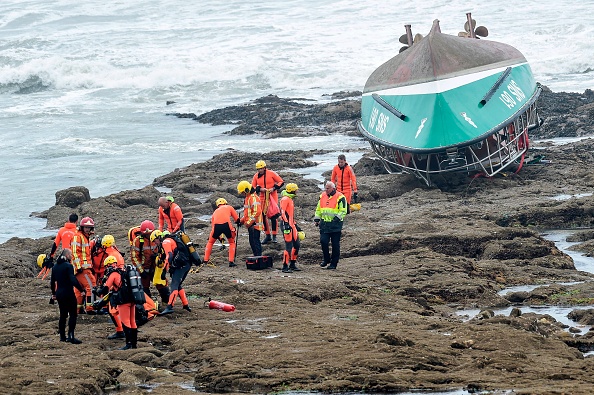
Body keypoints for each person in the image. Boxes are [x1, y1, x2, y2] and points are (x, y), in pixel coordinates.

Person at [96, 256, 138, 350]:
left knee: (125, 321)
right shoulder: (124, 271)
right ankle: (134, 344)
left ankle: (128, 344)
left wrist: (97, 292)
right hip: (132, 298)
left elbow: (106, 288)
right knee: (132, 321)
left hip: (123, 301)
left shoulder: (114, 274)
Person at [151, 230, 193, 315]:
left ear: (158, 237)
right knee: (178, 284)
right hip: (186, 263)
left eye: (155, 241)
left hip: (182, 265)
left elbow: (169, 256)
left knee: (174, 285)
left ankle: (170, 307)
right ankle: (185, 305)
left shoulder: (165, 242)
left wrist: (164, 271)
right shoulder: (170, 240)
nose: (155, 243)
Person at [131, 220, 170, 304]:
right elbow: (134, 257)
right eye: (146, 234)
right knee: (144, 288)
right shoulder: (138, 241)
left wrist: (157, 257)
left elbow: (163, 251)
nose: (148, 235)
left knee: (162, 285)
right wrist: (141, 271)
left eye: (150, 233)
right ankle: (149, 306)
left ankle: (167, 302)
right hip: (144, 269)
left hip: (155, 267)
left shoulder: (158, 238)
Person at [50, 248, 85, 344]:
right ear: (66, 255)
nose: (72, 256)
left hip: (59, 293)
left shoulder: (55, 267)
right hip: (68, 293)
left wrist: (53, 294)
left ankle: (62, 337)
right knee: (73, 314)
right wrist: (81, 289)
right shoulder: (68, 266)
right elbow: (72, 279)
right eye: (70, 255)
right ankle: (71, 336)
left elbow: (52, 282)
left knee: (63, 315)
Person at [314, 181, 347, 270]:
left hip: (335, 225)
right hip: (324, 224)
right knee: (323, 242)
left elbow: (343, 210)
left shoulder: (340, 197)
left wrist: (336, 219)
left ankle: (333, 263)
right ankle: (326, 259)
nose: (326, 190)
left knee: (335, 244)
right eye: (325, 188)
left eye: (328, 188)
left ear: (333, 188)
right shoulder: (322, 196)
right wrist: (317, 219)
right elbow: (318, 209)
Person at [251, 160, 284, 244]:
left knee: (273, 216)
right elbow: (253, 187)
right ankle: (267, 235)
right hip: (262, 197)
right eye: (258, 169)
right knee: (263, 216)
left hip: (272, 197)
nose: (259, 171)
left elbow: (281, 181)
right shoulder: (256, 176)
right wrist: (260, 189)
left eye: (261, 169)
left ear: (265, 168)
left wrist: (273, 188)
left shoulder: (271, 173)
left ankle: (274, 236)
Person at [203, 198, 240, 267]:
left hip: (216, 227)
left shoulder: (215, 212)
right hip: (227, 225)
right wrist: (239, 223)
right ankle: (231, 262)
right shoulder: (229, 207)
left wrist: (219, 238)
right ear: (225, 203)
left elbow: (213, 225)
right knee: (231, 243)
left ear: (218, 205)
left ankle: (205, 260)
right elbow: (237, 219)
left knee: (210, 242)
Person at [71, 216, 97, 313]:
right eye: (86, 227)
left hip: (84, 268)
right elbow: (74, 252)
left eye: (89, 227)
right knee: (91, 286)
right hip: (82, 268)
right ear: (82, 227)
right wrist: (78, 267)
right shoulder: (78, 237)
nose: (87, 229)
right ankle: (90, 308)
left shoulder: (85, 237)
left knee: (79, 289)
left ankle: (78, 308)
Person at [280, 183, 302, 273]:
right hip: (287, 226)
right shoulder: (285, 199)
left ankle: (292, 264)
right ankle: (285, 266)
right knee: (288, 246)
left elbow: (290, 215)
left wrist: (296, 225)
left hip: (292, 225)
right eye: (296, 189)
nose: (297, 191)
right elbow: (283, 212)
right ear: (292, 190)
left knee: (297, 245)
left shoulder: (290, 199)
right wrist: (286, 224)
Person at [237, 180, 263, 257]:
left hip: (255, 225)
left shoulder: (253, 198)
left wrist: (249, 222)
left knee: (255, 241)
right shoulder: (248, 198)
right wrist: (241, 221)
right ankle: (256, 256)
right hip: (252, 225)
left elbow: (257, 212)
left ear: (247, 190)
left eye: (243, 192)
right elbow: (247, 213)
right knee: (252, 241)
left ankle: (258, 257)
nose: (242, 194)